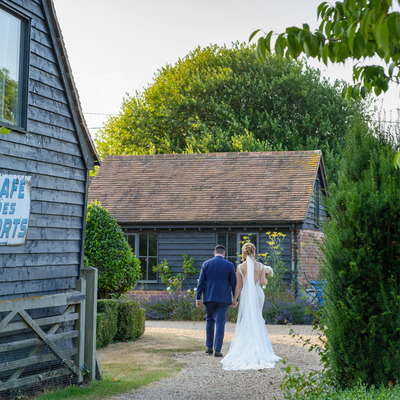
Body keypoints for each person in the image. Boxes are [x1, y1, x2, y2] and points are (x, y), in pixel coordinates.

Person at [221, 242, 281, 370]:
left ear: (243, 253)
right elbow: (263, 282)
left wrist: (234, 299)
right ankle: (260, 347)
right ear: (254, 252)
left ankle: (248, 345)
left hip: (247, 295)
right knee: (258, 317)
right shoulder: (260, 266)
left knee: (247, 319)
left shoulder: (240, 267)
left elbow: (238, 286)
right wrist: (267, 277)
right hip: (258, 294)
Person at [196, 245, 236, 357]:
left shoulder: (206, 264)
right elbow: (234, 283)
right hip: (223, 298)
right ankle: (217, 350)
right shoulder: (229, 265)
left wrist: (198, 298)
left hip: (209, 297)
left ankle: (209, 347)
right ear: (224, 253)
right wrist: (235, 298)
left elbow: (201, 283)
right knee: (220, 323)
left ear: (214, 253)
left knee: (209, 320)